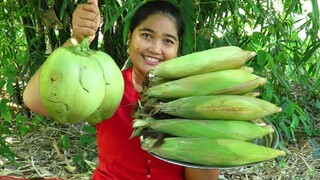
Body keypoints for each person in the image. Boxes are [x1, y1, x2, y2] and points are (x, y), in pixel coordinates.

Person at [23, 0, 221, 179]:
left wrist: (202, 120)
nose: (155, 48)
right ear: (129, 38)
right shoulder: (108, 84)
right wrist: (76, 39)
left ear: (177, 49)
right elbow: (33, 100)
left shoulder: (189, 99)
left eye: (168, 41)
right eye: (146, 35)